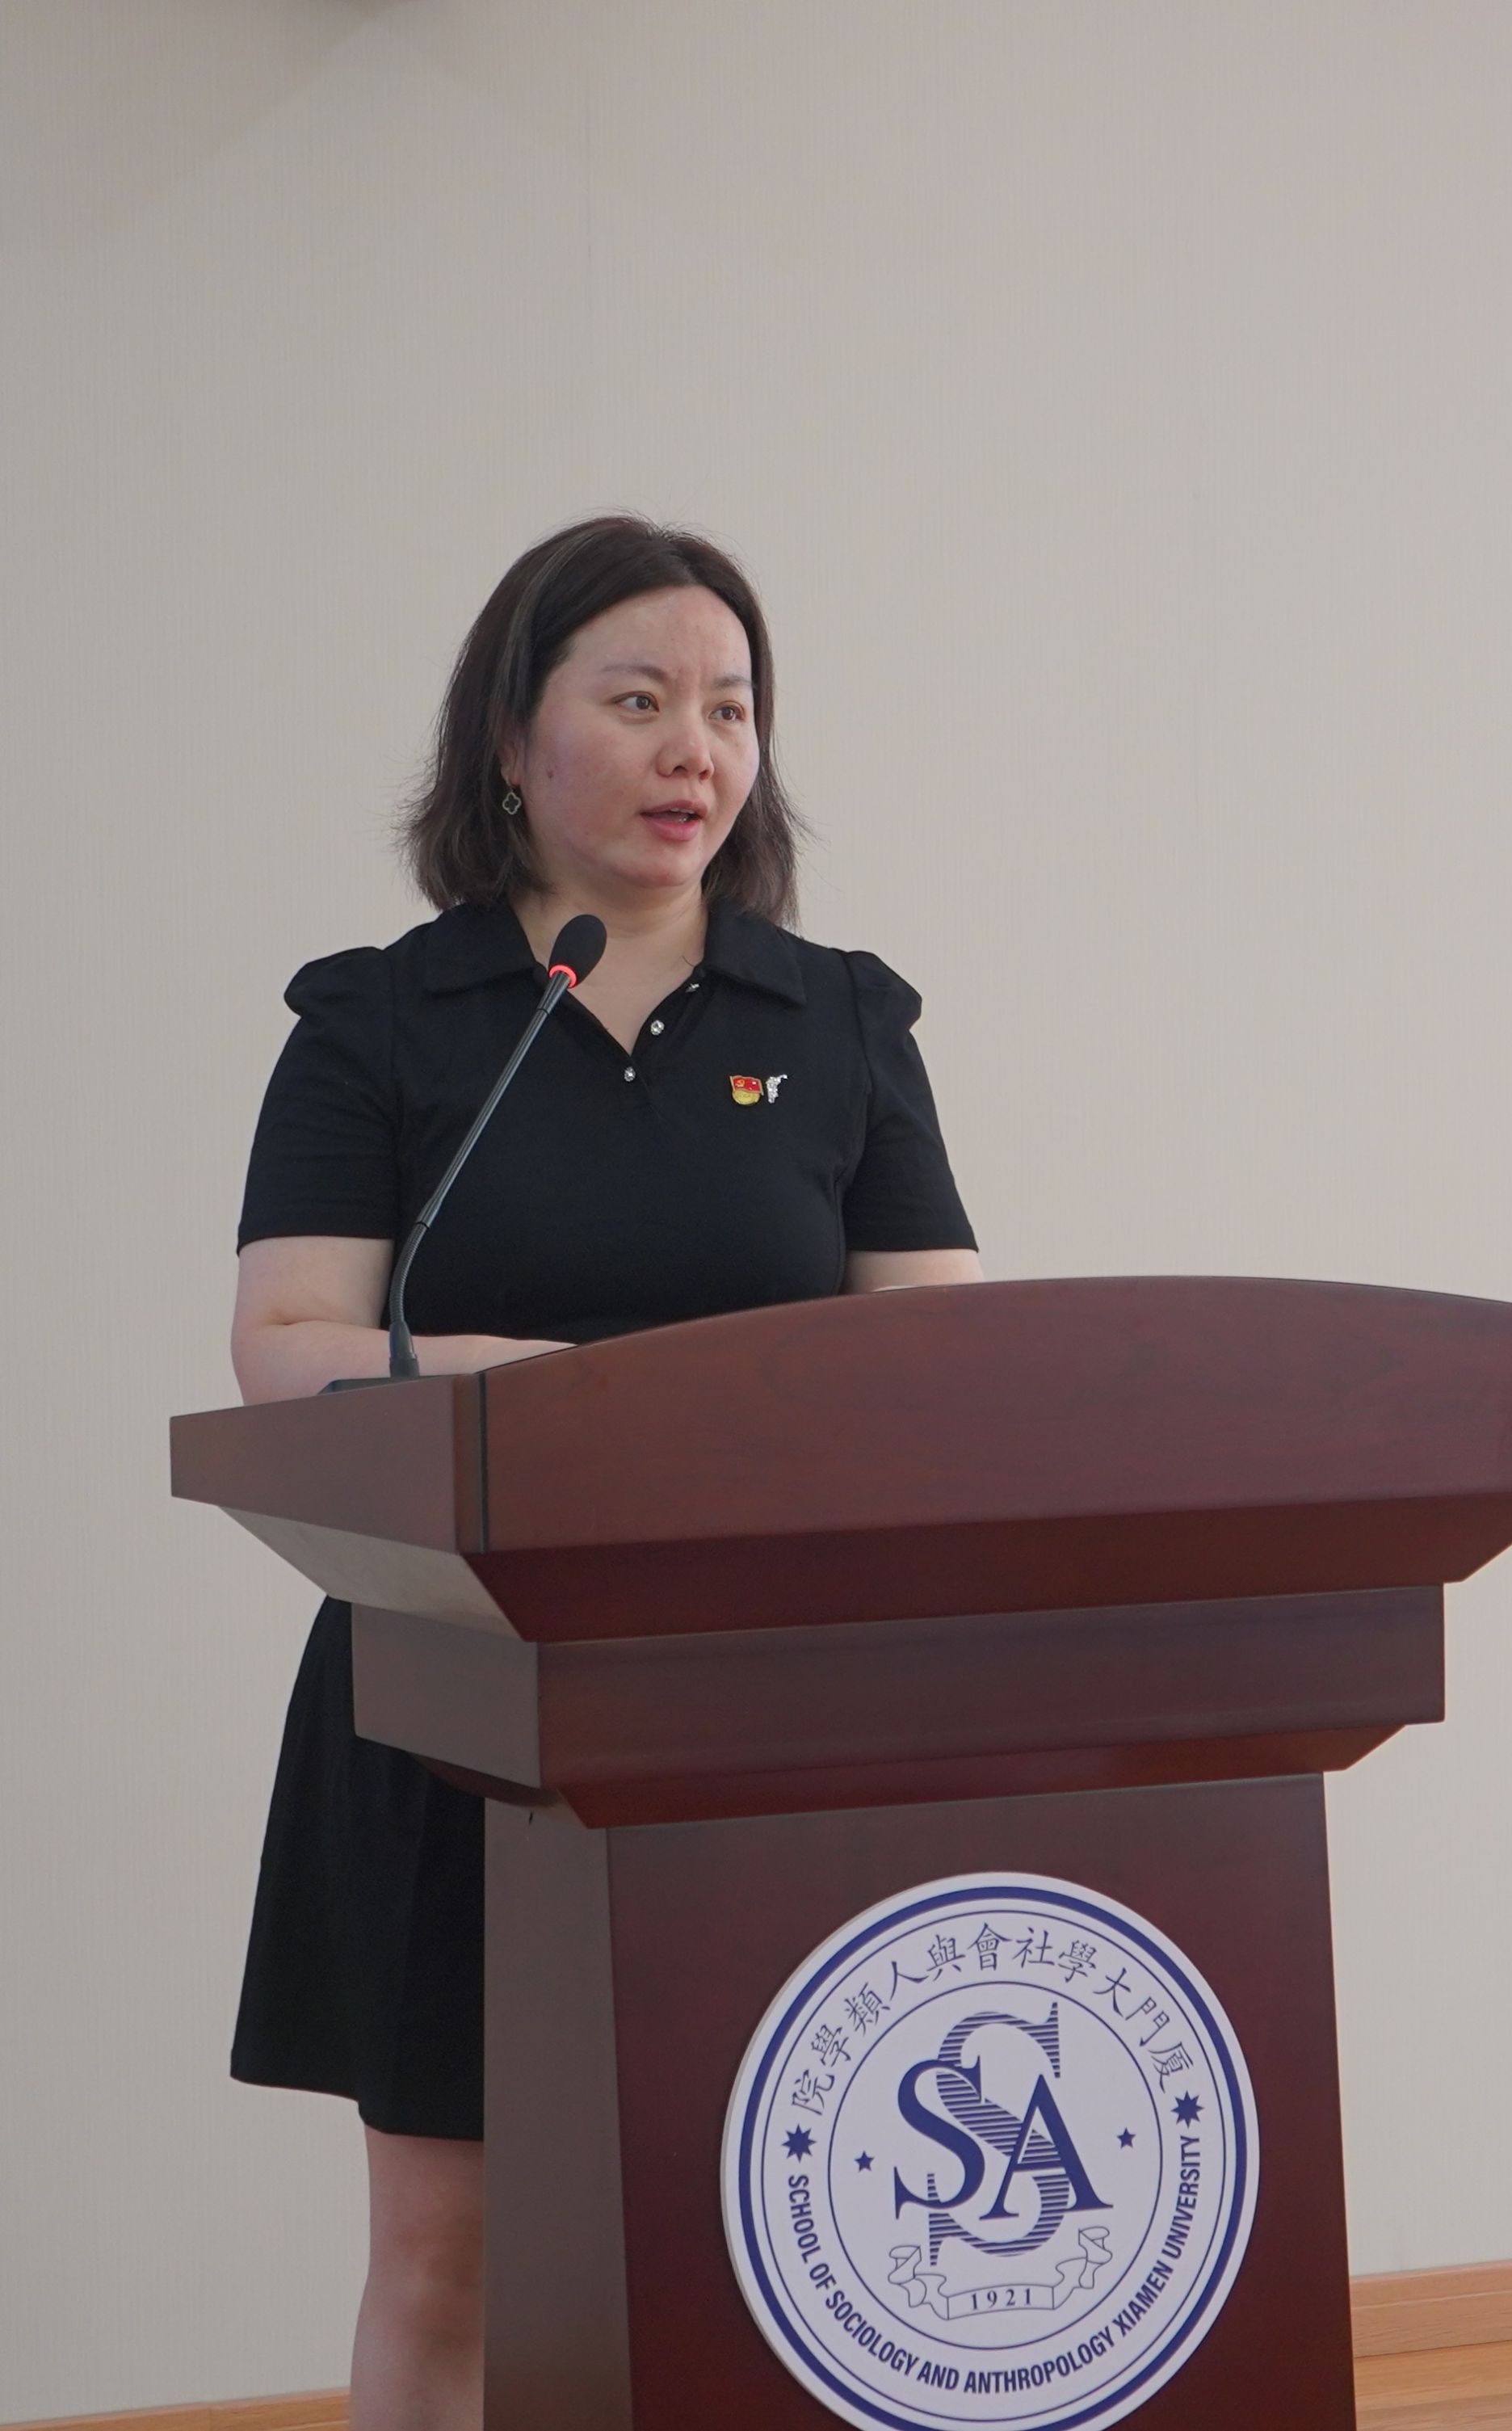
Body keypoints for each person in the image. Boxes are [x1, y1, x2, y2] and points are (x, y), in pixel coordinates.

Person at [227, 514, 982, 2429]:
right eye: (638, 700)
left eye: (728, 707)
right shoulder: (384, 1019)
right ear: (510, 737)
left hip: (767, 1702)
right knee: (453, 2251)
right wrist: (552, 1393)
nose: (693, 750)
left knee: (773, 2221)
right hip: (449, 1690)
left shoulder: (840, 1019)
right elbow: (288, 1338)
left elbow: (946, 1366)